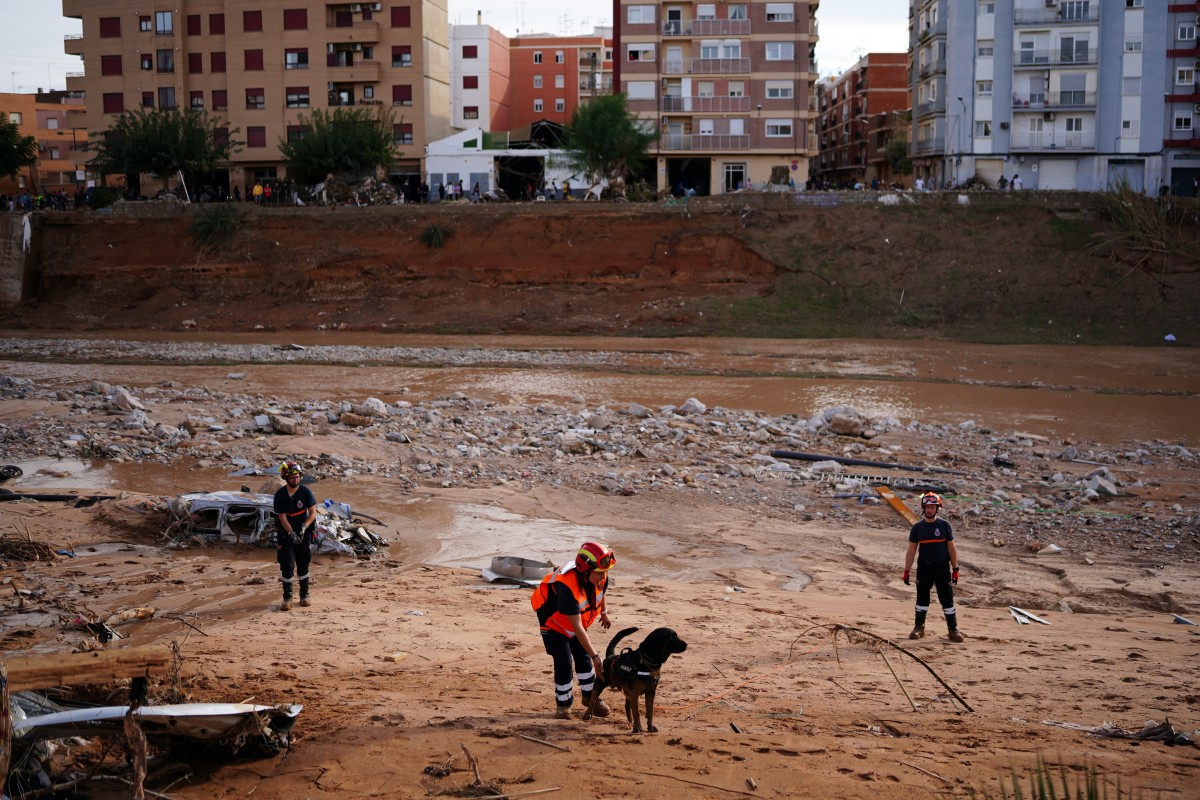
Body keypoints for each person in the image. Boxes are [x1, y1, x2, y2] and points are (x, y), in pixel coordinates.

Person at [531, 541, 616, 719]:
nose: (603, 577)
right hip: (554, 625)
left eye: (605, 573)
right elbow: (576, 627)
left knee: (583, 657)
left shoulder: (600, 574)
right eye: (599, 574)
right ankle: (563, 706)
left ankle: (590, 698)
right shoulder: (566, 586)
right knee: (564, 660)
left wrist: (604, 613)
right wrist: (596, 656)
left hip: (576, 623)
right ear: (585, 570)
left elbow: (601, 592)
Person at [903, 492, 963, 642]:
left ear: (937, 508)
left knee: (947, 599)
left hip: (942, 568)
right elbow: (911, 551)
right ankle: (918, 628)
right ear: (923, 508)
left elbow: (952, 549)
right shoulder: (917, 528)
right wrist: (906, 571)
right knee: (922, 598)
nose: (929, 510)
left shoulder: (944, 525)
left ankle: (953, 630)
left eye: (932, 507)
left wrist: (955, 569)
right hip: (924, 568)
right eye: (927, 507)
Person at [273, 460, 317, 611]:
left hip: (302, 531)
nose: (296, 479)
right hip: (285, 534)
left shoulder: (305, 492)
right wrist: (291, 533)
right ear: (286, 478)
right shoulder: (280, 495)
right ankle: (287, 598)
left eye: (298, 476)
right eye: (292, 477)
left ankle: (305, 595)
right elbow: (283, 518)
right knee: (287, 565)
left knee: (304, 563)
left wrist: (304, 527)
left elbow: (312, 512)